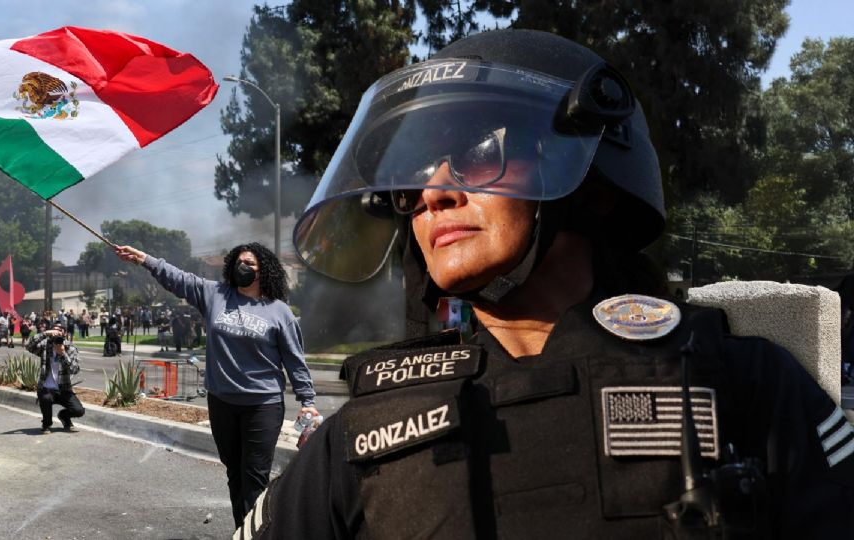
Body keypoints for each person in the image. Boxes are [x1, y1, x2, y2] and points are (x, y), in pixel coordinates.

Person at [231, 30, 854, 539]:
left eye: (478, 149)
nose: (432, 194)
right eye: (412, 176)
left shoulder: (746, 386)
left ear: (594, 182)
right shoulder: (365, 431)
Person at [114, 241, 318, 529]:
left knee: (255, 477)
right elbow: (178, 278)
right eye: (238, 262)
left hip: (263, 405)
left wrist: (307, 400)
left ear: (264, 272)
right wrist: (144, 259)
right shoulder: (215, 295)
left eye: (250, 264)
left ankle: (256, 534)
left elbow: (294, 359)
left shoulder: (278, 311)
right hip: (222, 403)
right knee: (234, 473)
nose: (242, 267)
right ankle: (243, 529)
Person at [26, 322, 83, 434]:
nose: (57, 332)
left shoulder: (71, 348)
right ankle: (46, 424)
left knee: (79, 411)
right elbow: (28, 345)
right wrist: (44, 333)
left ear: (64, 333)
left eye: (60, 330)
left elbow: (75, 370)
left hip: (64, 389)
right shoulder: (45, 346)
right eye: (54, 329)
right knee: (45, 398)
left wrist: (63, 354)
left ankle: (64, 416)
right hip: (46, 388)